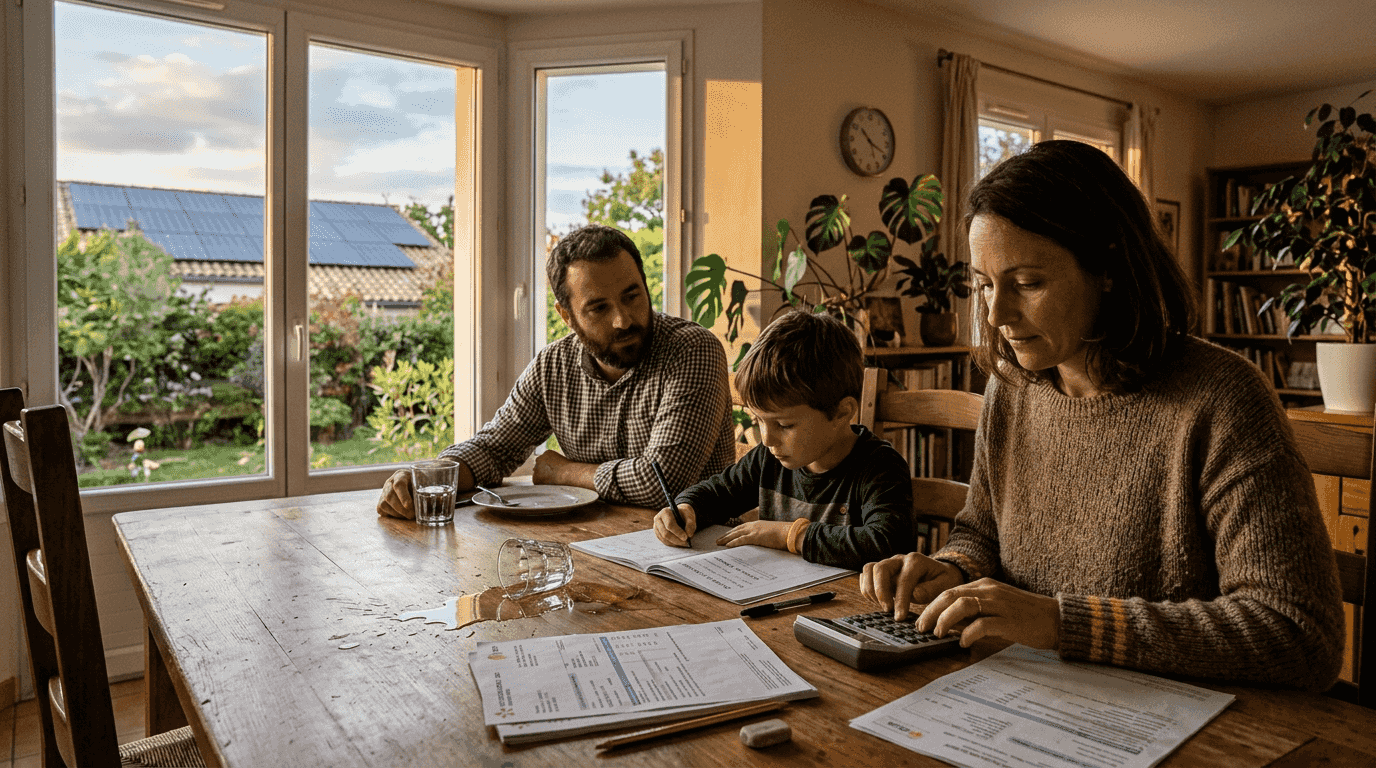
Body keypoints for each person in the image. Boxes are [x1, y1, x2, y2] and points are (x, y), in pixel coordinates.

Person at [860, 140, 1345, 691]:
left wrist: (1062, 623)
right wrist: (953, 570)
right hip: (1025, 693)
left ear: (1108, 269)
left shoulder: (1222, 401)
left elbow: (1301, 635)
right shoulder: (1012, 389)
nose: (996, 314)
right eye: (985, 284)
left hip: (1169, 720)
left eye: (1027, 283)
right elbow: (981, 532)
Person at [376, 224, 736, 518]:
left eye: (632, 295)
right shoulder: (553, 365)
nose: (623, 319)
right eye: (598, 308)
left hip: (695, 553)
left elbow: (664, 482)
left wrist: (564, 473)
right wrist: (426, 477)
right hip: (593, 544)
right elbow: (496, 448)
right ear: (567, 316)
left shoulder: (692, 350)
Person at [653, 310, 913, 570]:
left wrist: (789, 535)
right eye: (758, 421)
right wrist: (686, 508)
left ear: (841, 412)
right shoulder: (769, 458)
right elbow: (718, 492)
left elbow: (887, 544)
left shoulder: (880, 467)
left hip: (848, 604)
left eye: (784, 425)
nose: (766, 439)